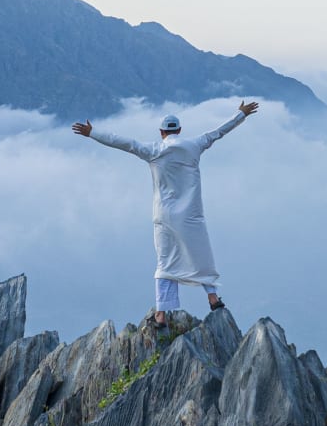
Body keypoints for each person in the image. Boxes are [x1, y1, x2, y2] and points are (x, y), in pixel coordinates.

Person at [73, 101, 260, 328]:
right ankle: (212, 298)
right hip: (192, 215)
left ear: (162, 132)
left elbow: (124, 142)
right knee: (202, 255)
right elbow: (219, 131)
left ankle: (161, 314)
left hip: (164, 216)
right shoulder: (195, 145)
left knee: (165, 262)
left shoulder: (154, 150)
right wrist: (241, 115)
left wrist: (93, 133)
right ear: (179, 130)